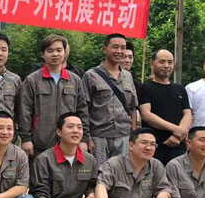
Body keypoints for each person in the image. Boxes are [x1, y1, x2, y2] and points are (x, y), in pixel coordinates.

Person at [19, 34, 90, 160]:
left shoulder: (75, 80)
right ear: (43, 54)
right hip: (40, 143)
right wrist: (26, 139)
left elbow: (82, 111)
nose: (55, 54)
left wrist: (83, 139)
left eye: (59, 50)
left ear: (65, 53)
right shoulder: (32, 80)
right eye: (50, 51)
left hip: (69, 144)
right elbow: (25, 111)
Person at [83, 33, 138, 166]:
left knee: (121, 173)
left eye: (123, 48)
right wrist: (87, 138)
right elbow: (83, 109)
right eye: (115, 47)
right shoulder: (91, 75)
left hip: (123, 136)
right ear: (105, 49)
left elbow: (133, 108)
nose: (119, 51)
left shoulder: (128, 76)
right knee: (99, 173)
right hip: (99, 136)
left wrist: (133, 136)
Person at [138, 49, 191, 165]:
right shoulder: (144, 88)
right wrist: (175, 129)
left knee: (178, 175)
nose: (166, 66)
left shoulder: (180, 89)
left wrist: (178, 136)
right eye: (162, 62)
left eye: (170, 62)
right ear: (152, 64)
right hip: (153, 145)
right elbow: (146, 114)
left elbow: (187, 114)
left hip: (178, 145)